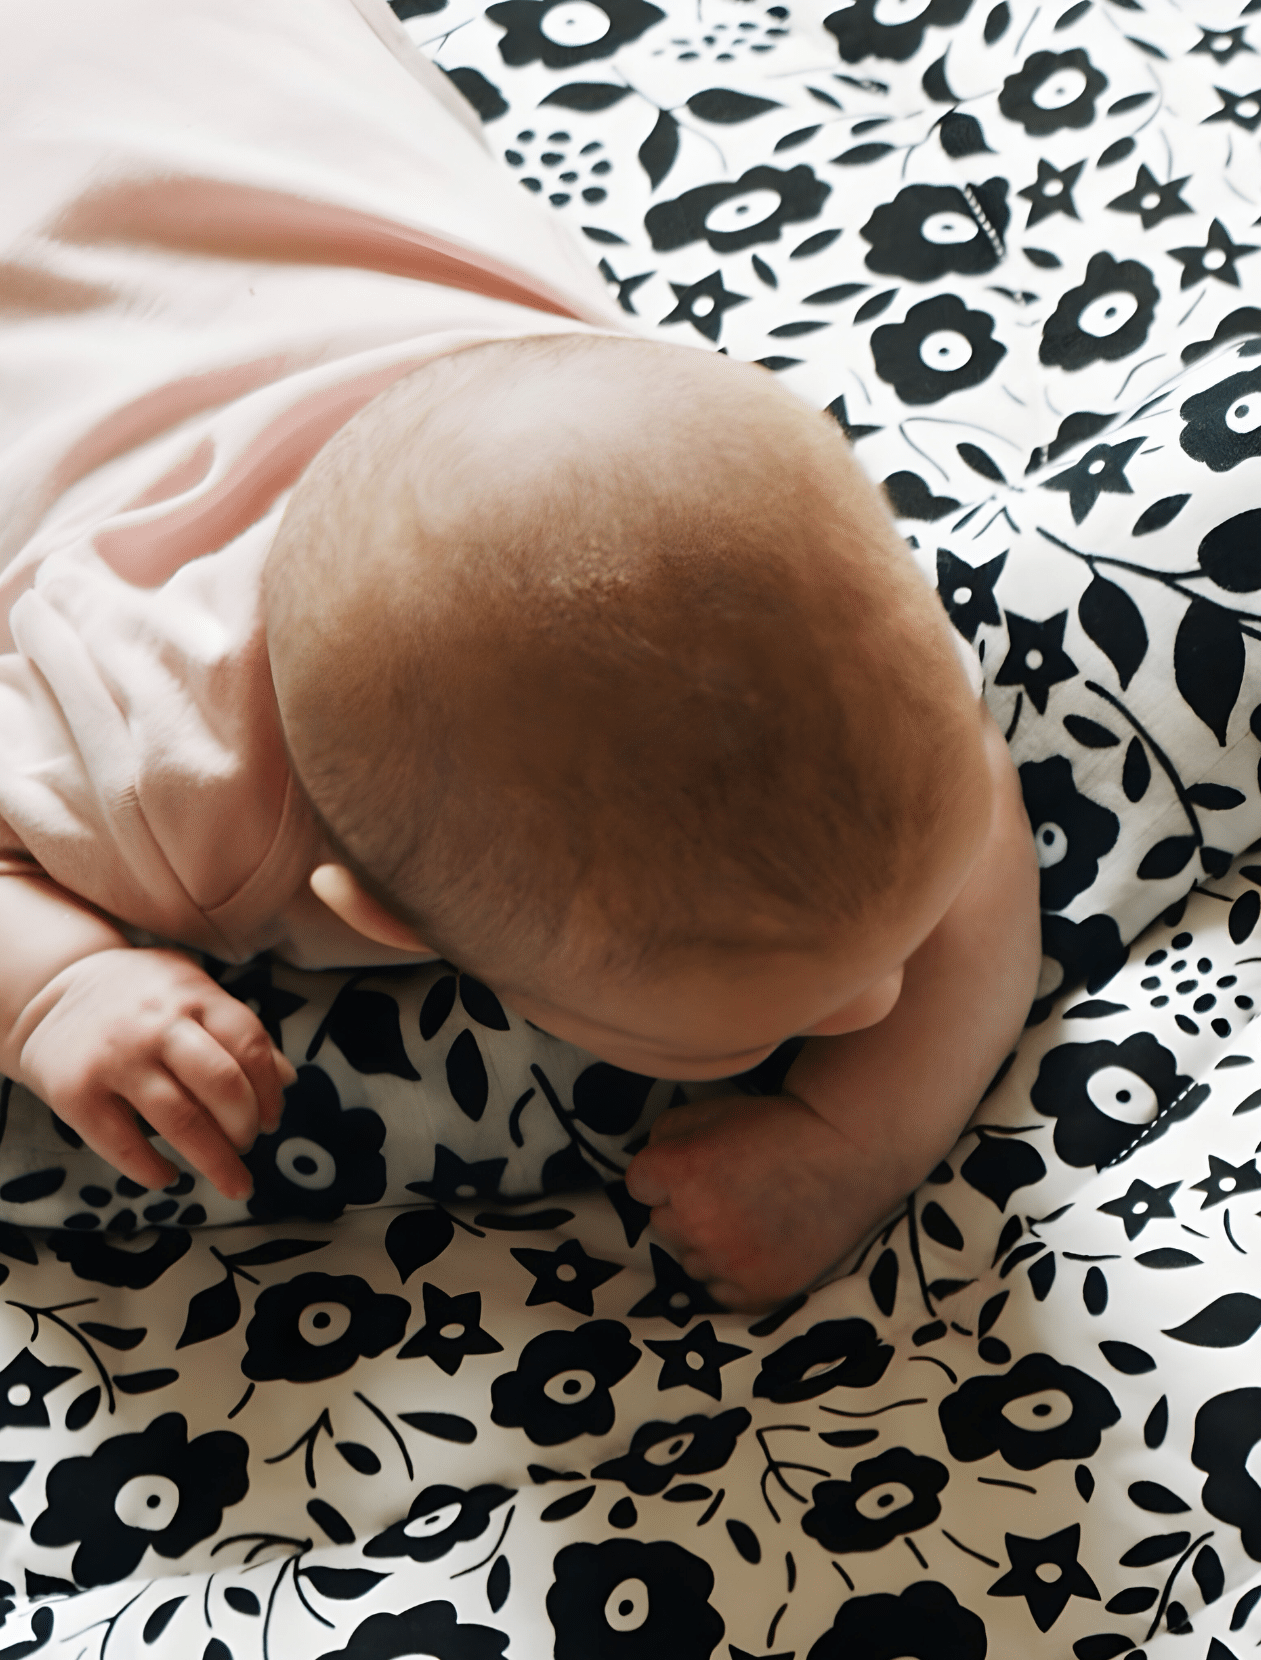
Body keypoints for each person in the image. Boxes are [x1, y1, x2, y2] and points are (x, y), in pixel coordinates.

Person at [0, 0, 1037, 1310]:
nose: (875, 1008)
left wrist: (863, 1136)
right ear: (380, 919)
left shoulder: (705, 503)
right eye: (762, 1028)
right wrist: (58, 988)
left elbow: (970, 800)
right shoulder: (169, 768)